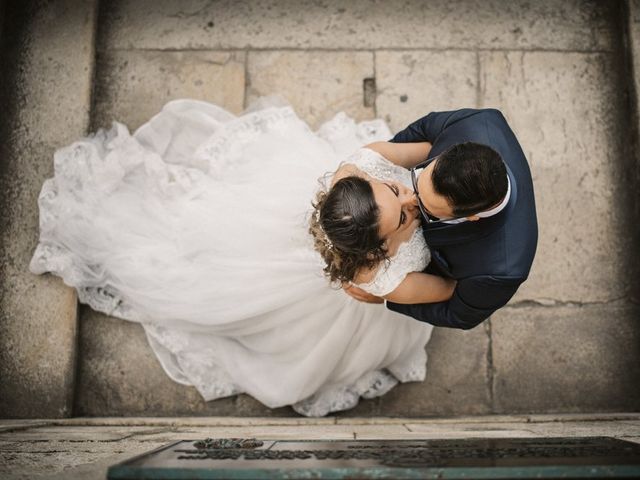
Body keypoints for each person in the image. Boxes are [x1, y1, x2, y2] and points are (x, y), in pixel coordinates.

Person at [29, 98, 451, 417]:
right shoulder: (375, 278)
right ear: (375, 253)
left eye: (395, 193)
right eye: (402, 217)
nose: (411, 198)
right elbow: (444, 293)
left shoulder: (355, 173)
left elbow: (419, 150)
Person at [343, 109, 538, 330]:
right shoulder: (476, 122)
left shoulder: (501, 272)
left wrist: (389, 298)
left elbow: (459, 315)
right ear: (448, 153)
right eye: (418, 179)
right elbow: (423, 129)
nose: (411, 199)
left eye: (426, 209)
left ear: (471, 217)